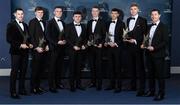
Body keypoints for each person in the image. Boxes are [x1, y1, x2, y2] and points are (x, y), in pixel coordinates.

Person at [141, 9, 168, 101]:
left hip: (158, 55)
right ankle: (151, 91)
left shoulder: (163, 27)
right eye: (152, 15)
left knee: (160, 75)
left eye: (155, 14)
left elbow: (165, 42)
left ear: (159, 15)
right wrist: (143, 44)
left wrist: (154, 48)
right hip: (149, 54)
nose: (153, 16)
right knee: (150, 74)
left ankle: (161, 93)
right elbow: (147, 39)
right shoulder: (149, 26)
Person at [6, 8, 33, 99]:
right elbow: (9, 39)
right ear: (15, 15)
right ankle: (13, 91)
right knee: (14, 72)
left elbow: (27, 38)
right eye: (19, 14)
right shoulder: (11, 24)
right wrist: (20, 45)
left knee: (23, 72)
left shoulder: (25, 25)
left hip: (25, 52)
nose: (21, 15)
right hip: (16, 52)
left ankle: (21, 89)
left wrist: (30, 44)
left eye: (22, 14)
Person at [124, 3, 147, 96]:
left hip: (138, 48)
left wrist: (136, 41)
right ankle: (133, 86)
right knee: (131, 67)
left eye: (134, 9)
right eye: (131, 9)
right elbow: (128, 33)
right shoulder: (128, 19)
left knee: (140, 68)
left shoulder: (143, 20)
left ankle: (142, 88)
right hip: (129, 48)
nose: (133, 11)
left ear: (138, 10)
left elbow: (145, 35)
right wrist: (126, 38)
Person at [104, 8, 125, 93]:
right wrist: (106, 42)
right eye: (112, 13)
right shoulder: (107, 23)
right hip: (109, 48)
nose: (113, 15)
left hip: (117, 48)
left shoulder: (122, 24)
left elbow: (123, 37)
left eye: (115, 13)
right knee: (110, 67)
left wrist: (115, 43)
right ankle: (111, 85)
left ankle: (118, 86)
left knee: (117, 67)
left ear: (118, 15)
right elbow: (105, 35)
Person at [29, 6, 49, 95]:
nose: (40, 14)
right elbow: (31, 36)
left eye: (42, 12)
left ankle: (38, 86)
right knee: (35, 70)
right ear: (35, 13)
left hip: (44, 50)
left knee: (41, 70)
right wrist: (36, 47)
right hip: (37, 50)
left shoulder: (44, 22)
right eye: (39, 12)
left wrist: (47, 45)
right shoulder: (32, 22)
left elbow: (45, 36)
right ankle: (33, 88)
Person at [65, 11, 87, 92]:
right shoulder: (68, 26)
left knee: (78, 68)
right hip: (72, 51)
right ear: (73, 17)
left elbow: (85, 38)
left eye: (79, 16)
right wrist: (73, 46)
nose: (78, 18)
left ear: (81, 18)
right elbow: (67, 38)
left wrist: (84, 45)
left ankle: (78, 84)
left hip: (80, 51)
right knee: (72, 68)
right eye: (76, 16)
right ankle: (72, 86)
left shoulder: (84, 26)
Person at [46, 6, 66, 93]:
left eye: (60, 11)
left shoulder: (63, 23)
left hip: (61, 49)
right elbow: (48, 36)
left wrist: (65, 40)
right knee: (52, 68)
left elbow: (65, 35)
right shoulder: (49, 22)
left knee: (59, 67)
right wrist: (57, 42)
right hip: (54, 48)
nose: (59, 13)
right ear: (54, 12)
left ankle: (58, 83)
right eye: (57, 11)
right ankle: (51, 86)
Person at [87, 6, 106, 90]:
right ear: (91, 12)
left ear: (99, 12)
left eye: (96, 11)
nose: (94, 12)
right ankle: (93, 82)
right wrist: (88, 42)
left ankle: (99, 84)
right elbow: (87, 35)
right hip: (91, 48)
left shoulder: (103, 22)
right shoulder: (89, 22)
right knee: (92, 65)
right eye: (93, 11)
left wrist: (101, 43)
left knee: (99, 66)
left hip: (99, 47)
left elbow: (105, 35)